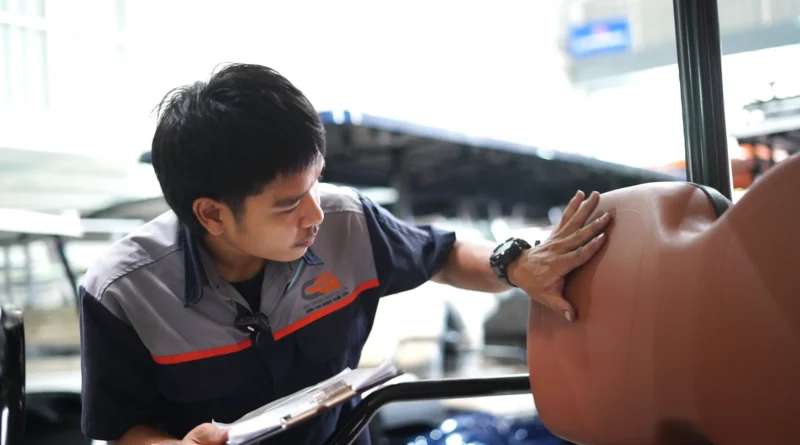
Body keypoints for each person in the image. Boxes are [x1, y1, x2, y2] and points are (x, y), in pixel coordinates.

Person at [79, 63, 611, 445]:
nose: (315, 214)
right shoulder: (121, 293)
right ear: (213, 215)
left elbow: (444, 256)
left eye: (315, 183)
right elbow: (124, 428)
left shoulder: (348, 220)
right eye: (288, 204)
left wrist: (515, 265)